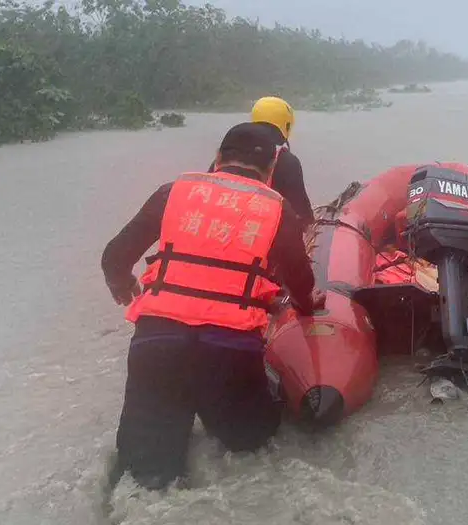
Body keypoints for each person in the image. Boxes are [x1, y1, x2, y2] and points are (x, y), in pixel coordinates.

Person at [102, 122, 324, 490]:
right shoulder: (276, 208)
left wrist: (122, 284)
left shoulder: (172, 192)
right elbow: (301, 281)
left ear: (218, 158)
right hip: (230, 350)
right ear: (271, 170)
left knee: (146, 475)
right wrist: (304, 307)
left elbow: (114, 257)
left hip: (156, 343)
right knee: (251, 443)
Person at [209, 97, 313, 225]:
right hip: (258, 232)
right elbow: (302, 214)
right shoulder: (287, 161)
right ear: (287, 124)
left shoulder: (225, 157)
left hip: (219, 225)